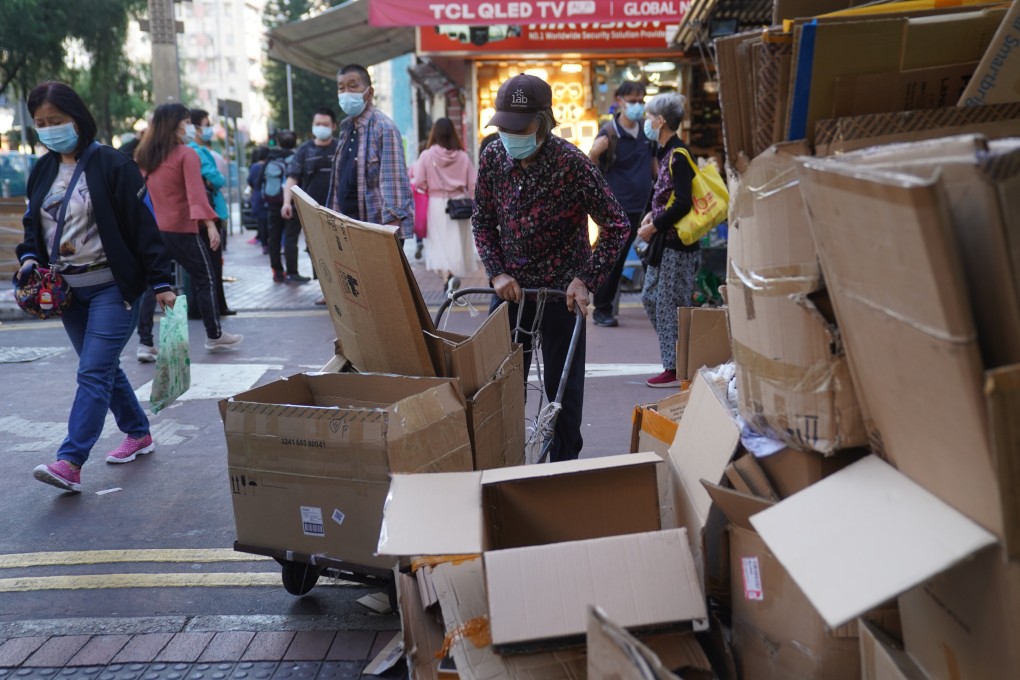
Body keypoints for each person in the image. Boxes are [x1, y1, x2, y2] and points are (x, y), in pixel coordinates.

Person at [16, 82, 176, 492]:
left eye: (57, 121)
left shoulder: (111, 164)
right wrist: (28, 258)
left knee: (91, 372)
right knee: (101, 368)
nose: (50, 129)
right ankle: (138, 432)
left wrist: (161, 281)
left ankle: (70, 461)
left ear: (78, 118)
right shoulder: (42, 169)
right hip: (66, 293)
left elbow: (144, 226)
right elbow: (33, 224)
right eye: (41, 123)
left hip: (113, 288)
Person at [473, 74, 629, 462]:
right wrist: (496, 271)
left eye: (519, 128)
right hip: (512, 290)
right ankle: (502, 460)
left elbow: (616, 225)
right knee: (499, 384)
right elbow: (481, 220)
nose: (509, 136)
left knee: (564, 391)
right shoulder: (493, 157)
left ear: (542, 123)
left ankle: (562, 468)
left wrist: (585, 279)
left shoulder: (572, 164)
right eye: (503, 127)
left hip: (563, 293)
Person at [134, 102, 243, 357]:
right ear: (175, 125)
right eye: (185, 123)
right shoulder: (186, 154)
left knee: (153, 286)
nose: (189, 128)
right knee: (205, 277)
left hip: (152, 230)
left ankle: (145, 343)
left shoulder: (144, 156)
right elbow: (196, 194)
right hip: (181, 229)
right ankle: (214, 335)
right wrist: (210, 225)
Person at [636, 92, 698, 388]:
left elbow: (684, 202)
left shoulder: (678, 155)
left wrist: (654, 224)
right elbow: (667, 197)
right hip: (665, 242)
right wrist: (652, 215)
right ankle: (677, 362)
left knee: (669, 303)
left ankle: (675, 366)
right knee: (651, 297)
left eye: (649, 117)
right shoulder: (667, 153)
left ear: (660, 121)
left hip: (678, 244)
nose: (646, 121)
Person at [587, 81, 655, 328]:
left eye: (641, 99)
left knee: (651, 258)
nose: (638, 104)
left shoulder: (648, 132)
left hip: (644, 208)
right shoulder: (609, 133)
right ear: (620, 100)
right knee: (612, 261)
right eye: (633, 100)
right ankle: (602, 310)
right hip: (617, 209)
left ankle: (655, 305)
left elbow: (654, 166)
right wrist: (595, 153)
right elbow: (590, 170)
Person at [327, 64, 413, 239]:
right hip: (348, 227)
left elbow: (393, 180)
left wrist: (390, 231)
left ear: (370, 92)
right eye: (341, 88)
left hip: (375, 229)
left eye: (353, 86)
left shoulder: (383, 127)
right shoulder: (346, 127)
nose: (346, 93)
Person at [413, 117, 477, 293]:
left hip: (436, 205)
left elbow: (419, 181)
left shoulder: (426, 155)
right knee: (455, 244)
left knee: (437, 244)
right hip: (460, 205)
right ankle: (451, 277)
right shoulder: (463, 156)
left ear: (435, 133)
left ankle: (447, 277)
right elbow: (473, 184)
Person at [281, 107, 338, 286]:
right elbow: (292, 177)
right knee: (317, 248)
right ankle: (326, 289)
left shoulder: (340, 147)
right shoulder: (304, 150)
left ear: (333, 126)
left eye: (325, 124)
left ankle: (337, 289)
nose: (321, 127)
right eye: (317, 124)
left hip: (335, 209)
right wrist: (286, 202)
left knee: (335, 250)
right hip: (309, 209)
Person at [188, 108, 234, 315]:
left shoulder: (182, 151)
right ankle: (214, 308)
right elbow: (216, 179)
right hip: (209, 213)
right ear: (195, 127)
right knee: (213, 265)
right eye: (206, 125)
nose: (209, 130)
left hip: (197, 215)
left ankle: (212, 307)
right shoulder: (197, 151)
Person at [263, 129, 305, 283]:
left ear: (278, 143)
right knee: (290, 238)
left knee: (273, 238)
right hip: (291, 203)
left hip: (273, 203)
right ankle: (292, 272)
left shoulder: (270, 158)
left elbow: (260, 180)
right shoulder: (297, 159)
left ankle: (277, 271)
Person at [246, 145, 270, 253]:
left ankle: (264, 244)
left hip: (258, 196)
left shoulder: (254, 167)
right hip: (270, 196)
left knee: (261, 222)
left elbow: (250, 181)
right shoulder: (270, 165)